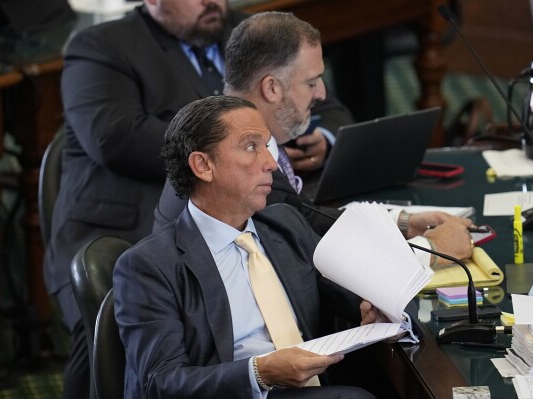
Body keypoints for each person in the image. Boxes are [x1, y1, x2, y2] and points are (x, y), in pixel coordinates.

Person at [44, 2, 352, 398]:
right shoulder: (101, 46)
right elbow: (115, 139)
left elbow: (324, 99)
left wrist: (317, 137)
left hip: (230, 208)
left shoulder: (242, 33)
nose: (214, 2)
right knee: (125, 341)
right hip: (127, 224)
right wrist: (221, 144)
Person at [153, 11, 475, 266]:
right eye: (311, 82)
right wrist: (431, 249)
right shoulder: (241, 167)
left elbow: (307, 218)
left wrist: (403, 223)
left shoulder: (252, 144)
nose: (321, 94)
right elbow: (318, 258)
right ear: (271, 88)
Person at [114, 95, 384, 398]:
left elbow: (343, 295)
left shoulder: (285, 223)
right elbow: (160, 382)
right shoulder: (148, 266)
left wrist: (368, 308)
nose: (270, 164)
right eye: (251, 147)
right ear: (203, 165)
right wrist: (259, 372)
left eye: (267, 146)